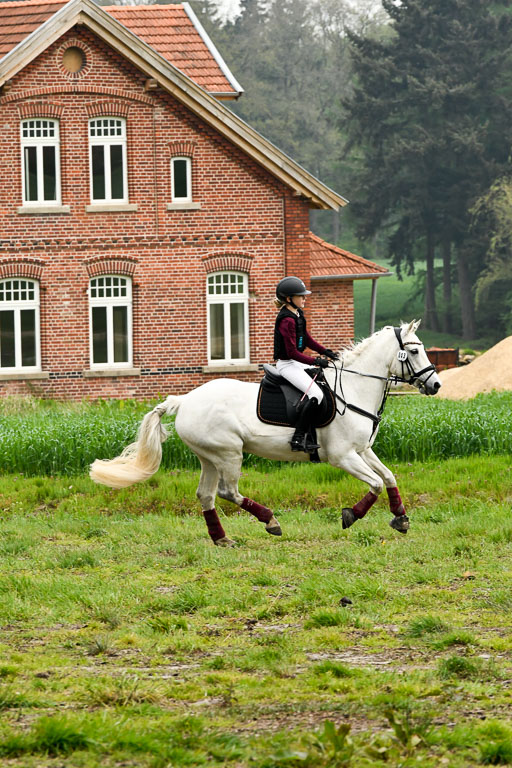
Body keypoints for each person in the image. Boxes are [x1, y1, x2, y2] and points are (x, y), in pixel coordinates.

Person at [274, 276, 338, 453]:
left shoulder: (298, 314)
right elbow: (292, 352)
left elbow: (307, 339)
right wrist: (316, 361)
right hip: (287, 364)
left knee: (326, 381)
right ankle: (298, 438)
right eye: (300, 296)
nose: (304, 298)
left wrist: (325, 351)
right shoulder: (286, 320)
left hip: (297, 362)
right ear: (289, 299)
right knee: (316, 394)